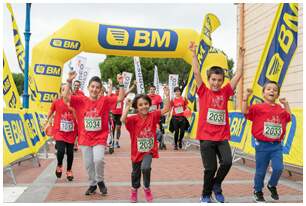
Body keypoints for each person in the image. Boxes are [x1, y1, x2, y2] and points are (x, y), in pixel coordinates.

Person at [189, 41, 244, 203]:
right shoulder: (203, 91)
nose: (216, 83)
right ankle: (205, 195)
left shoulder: (226, 91)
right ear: (209, 79)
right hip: (206, 137)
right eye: (213, 79)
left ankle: (216, 185)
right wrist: (193, 54)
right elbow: (196, 73)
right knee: (210, 168)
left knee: (227, 162)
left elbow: (238, 74)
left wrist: (241, 57)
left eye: (219, 80)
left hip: (221, 137)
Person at [62, 71, 124, 195]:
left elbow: (120, 98)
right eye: (92, 86)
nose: (94, 89)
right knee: (89, 164)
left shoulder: (105, 100)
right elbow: (65, 97)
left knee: (99, 159)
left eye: (97, 87)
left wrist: (121, 83)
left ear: (100, 89)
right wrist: (69, 81)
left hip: (100, 137)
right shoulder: (81, 100)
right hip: (85, 138)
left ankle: (100, 181)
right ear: (88, 87)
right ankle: (92, 184)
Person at [242, 82, 291, 203]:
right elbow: (245, 112)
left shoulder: (280, 109)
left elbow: (288, 117)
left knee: (279, 168)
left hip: (276, 146)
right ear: (263, 93)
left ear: (277, 94)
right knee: (261, 170)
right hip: (262, 145)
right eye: (268, 89)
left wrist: (286, 104)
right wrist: (245, 98)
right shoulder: (258, 107)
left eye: (274, 90)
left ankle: (272, 185)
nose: (271, 91)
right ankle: (257, 191)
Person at [121, 86, 170, 203]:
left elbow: (166, 109)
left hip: (149, 150)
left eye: (146, 104)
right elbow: (123, 120)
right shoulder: (133, 120)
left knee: (146, 168)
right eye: (140, 105)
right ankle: (134, 190)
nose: (144, 106)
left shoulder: (153, 115)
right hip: (136, 152)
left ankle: (147, 188)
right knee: (135, 173)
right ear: (137, 107)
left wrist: (167, 95)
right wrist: (127, 107)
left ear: (149, 104)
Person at [45, 84, 77, 181]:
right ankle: (59, 165)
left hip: (71, 132)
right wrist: (47, 120)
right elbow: (50, 111)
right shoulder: (56, 102)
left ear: (71, 92)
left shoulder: (75, 104)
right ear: (61, 93)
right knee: (61, 151)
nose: (66, 92)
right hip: (59, 131)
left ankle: (69, 170)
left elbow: (78, 117)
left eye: (68, 90)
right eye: (63, 90)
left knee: (70, 153)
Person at [109, 79, 136, 148]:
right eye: (116, 90)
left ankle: (117, 141)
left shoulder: (122, 95)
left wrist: (134, 85)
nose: (117, 91)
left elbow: (129, 91)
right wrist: (110, 85)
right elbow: (107, 93)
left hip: (119, 114)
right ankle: (112, 140)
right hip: (113, 114)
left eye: (118, 90)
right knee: (112, 128)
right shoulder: (112, 95)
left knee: (118, 128)